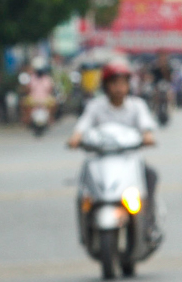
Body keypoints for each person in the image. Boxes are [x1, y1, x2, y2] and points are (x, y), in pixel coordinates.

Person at [68, 60, 161, 237]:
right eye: (114, 83)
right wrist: (75, 138)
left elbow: (146, 127)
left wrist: (147, 135)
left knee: (150, 175)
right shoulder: (95, 106)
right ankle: (85, 226)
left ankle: (149, 222)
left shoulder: (137, 106)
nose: (119, 88)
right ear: (106, 86)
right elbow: (82, 126)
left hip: (129, 160)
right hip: (101, 160)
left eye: (123, 83)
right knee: (83, 184)